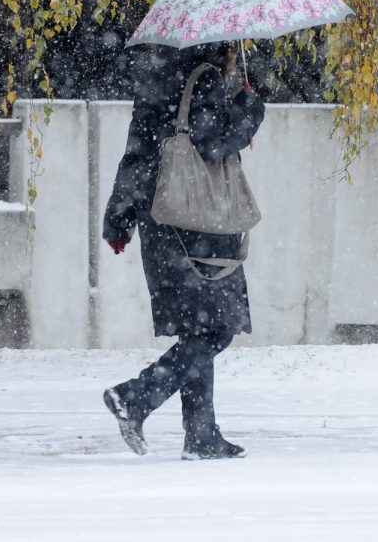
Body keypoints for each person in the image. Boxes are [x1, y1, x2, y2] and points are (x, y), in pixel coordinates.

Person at [101, 41, 265, 459]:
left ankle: (202, 435)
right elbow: (214, 143)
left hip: (161, 224)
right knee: (218, 328)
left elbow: (134, 153)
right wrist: (250, 112)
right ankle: (135, 397)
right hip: (197, 229)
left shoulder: (156, 81)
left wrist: (118, 219)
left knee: (199, 328)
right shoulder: (205, 78)